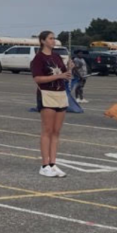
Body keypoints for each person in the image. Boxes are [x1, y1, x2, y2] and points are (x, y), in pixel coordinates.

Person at [32, 31, 70, 178]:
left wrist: (69, 70)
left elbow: (65, 74)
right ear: (42, 41)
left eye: (54, 38)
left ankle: (53, 164)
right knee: (47, 130)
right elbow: (38, 79)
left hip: (60, 94)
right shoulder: (38, 58)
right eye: (50, 38)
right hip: (46, 94)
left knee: (56, 131)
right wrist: (59, 75)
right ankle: (44, 165)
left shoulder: (57, 57)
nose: (54, 41)